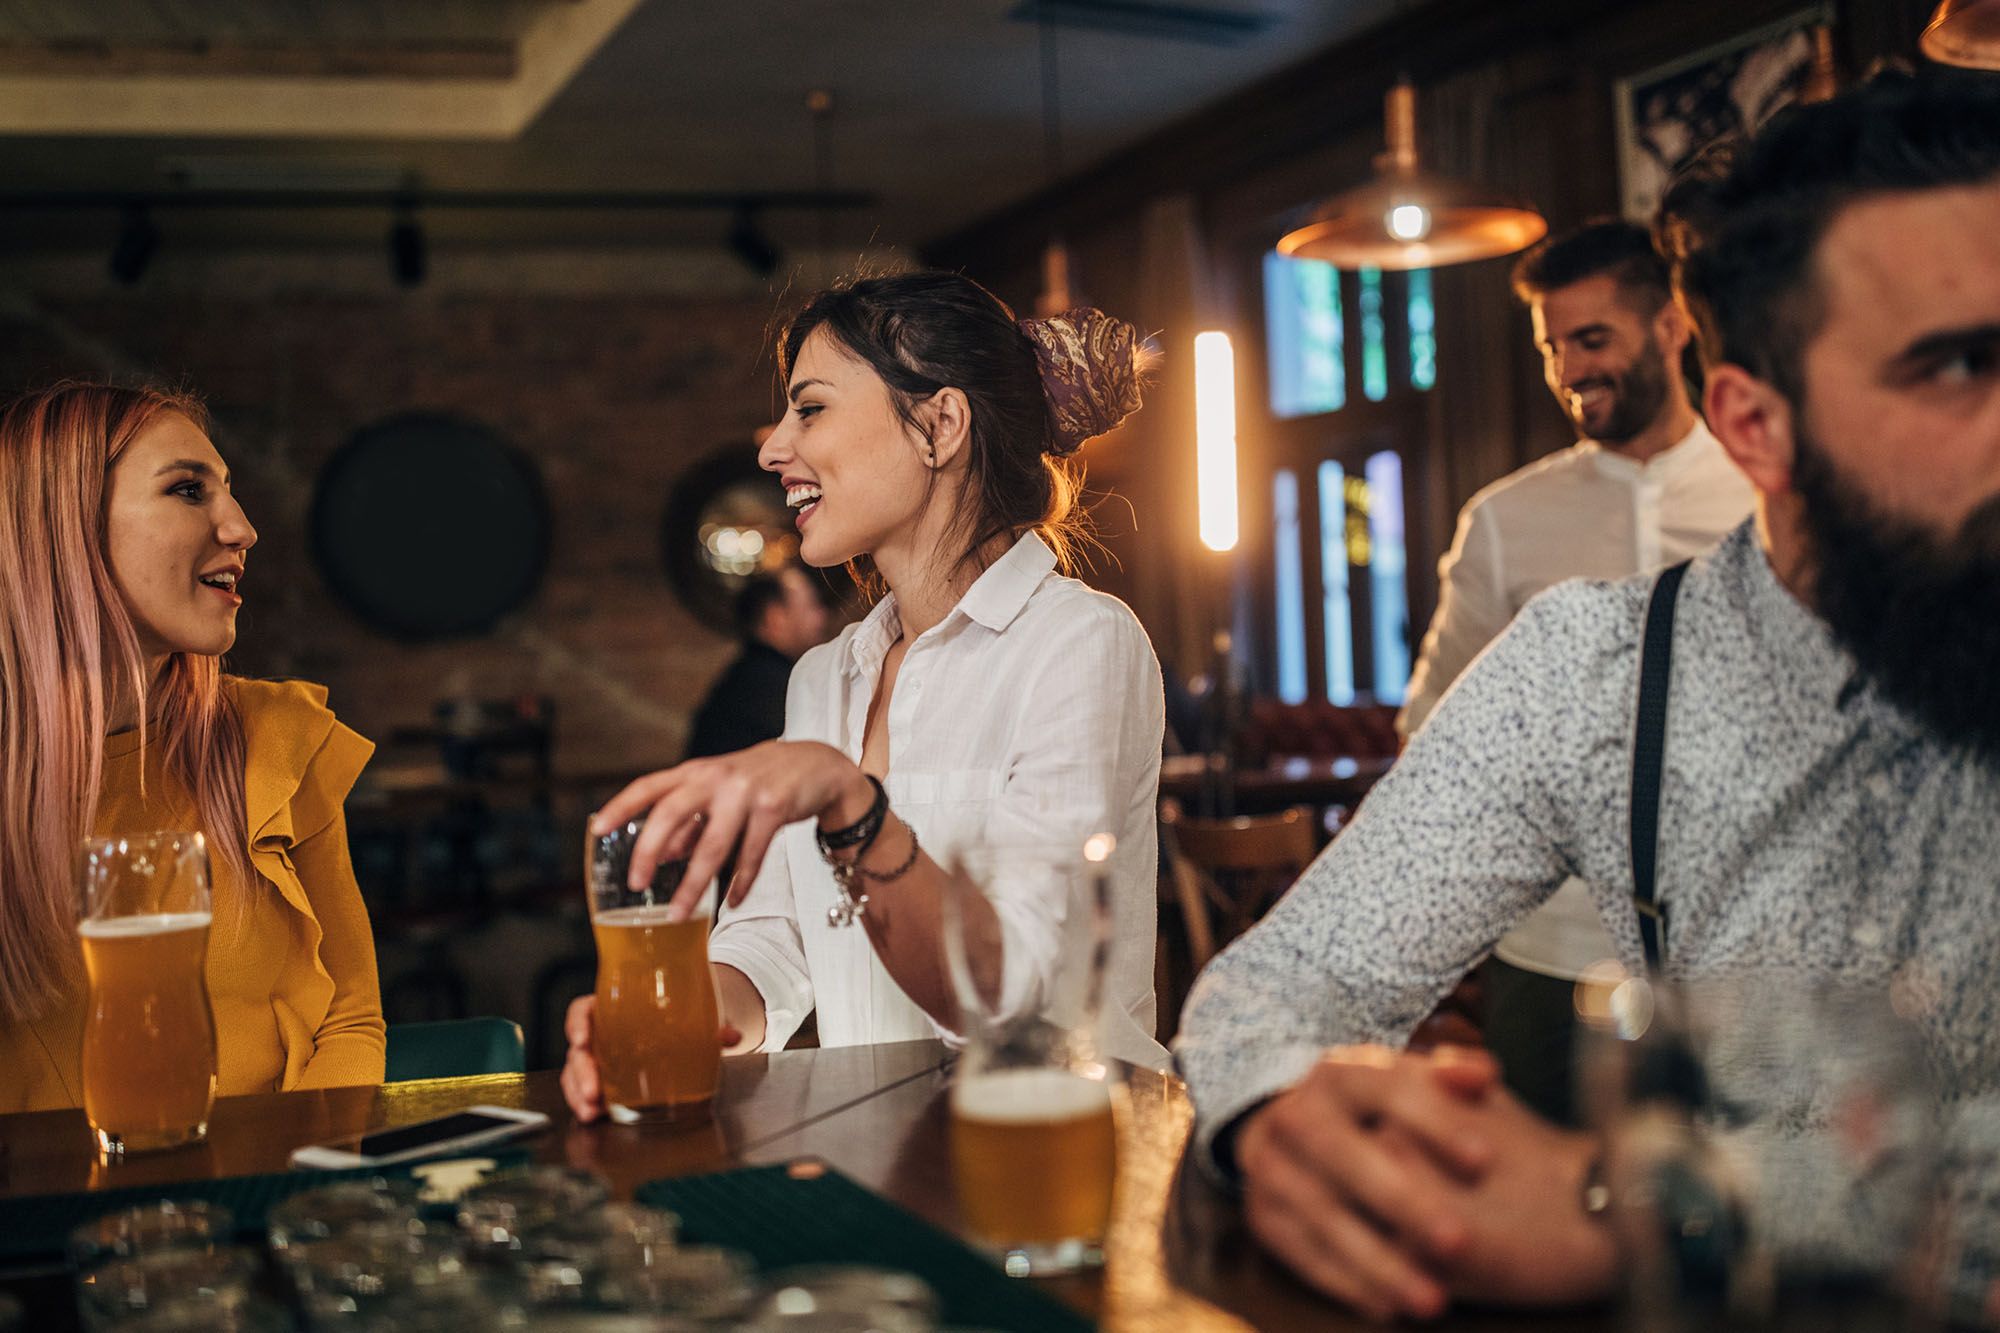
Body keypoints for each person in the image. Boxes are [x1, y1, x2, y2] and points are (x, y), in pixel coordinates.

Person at [1175, 71, 2000, 1322]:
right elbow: (1266, 990)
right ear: (1753, 428)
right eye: (1956, 368)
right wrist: (1279, 1117)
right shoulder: (1593, 669)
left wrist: (1649, 1204)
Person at [562, 271, 1167, 1122]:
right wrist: (671, 1012)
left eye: (810, 409)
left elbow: (1024, 998)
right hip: (884, 1151)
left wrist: (853, 806)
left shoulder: (1079, 644)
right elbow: (774, 941)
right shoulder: (822, 679)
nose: (773, 449)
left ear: (940, 425)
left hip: (1065, 1155)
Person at [1399, 219, 1755, 1119]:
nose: (1569, 370)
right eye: (1554, 346)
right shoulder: (1505, 520)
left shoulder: (1769, 492)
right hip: (1553, 954)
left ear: (1672, 326)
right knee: (1551, 1221)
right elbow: (1433, 726)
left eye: (1593, 340)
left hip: (1751, 950)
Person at [0, 383, 384, 1112]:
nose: (242, 528)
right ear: (60, 526)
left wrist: (295, 1189)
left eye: (229, 494)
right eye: (187, 490)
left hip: (276, 1192)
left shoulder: (274, 737)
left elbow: (350, 1017)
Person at [684, 564, 831, 760]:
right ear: (775, 619)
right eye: (812, 606)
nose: (822, 618)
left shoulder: (749, 673)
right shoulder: (768, 685)